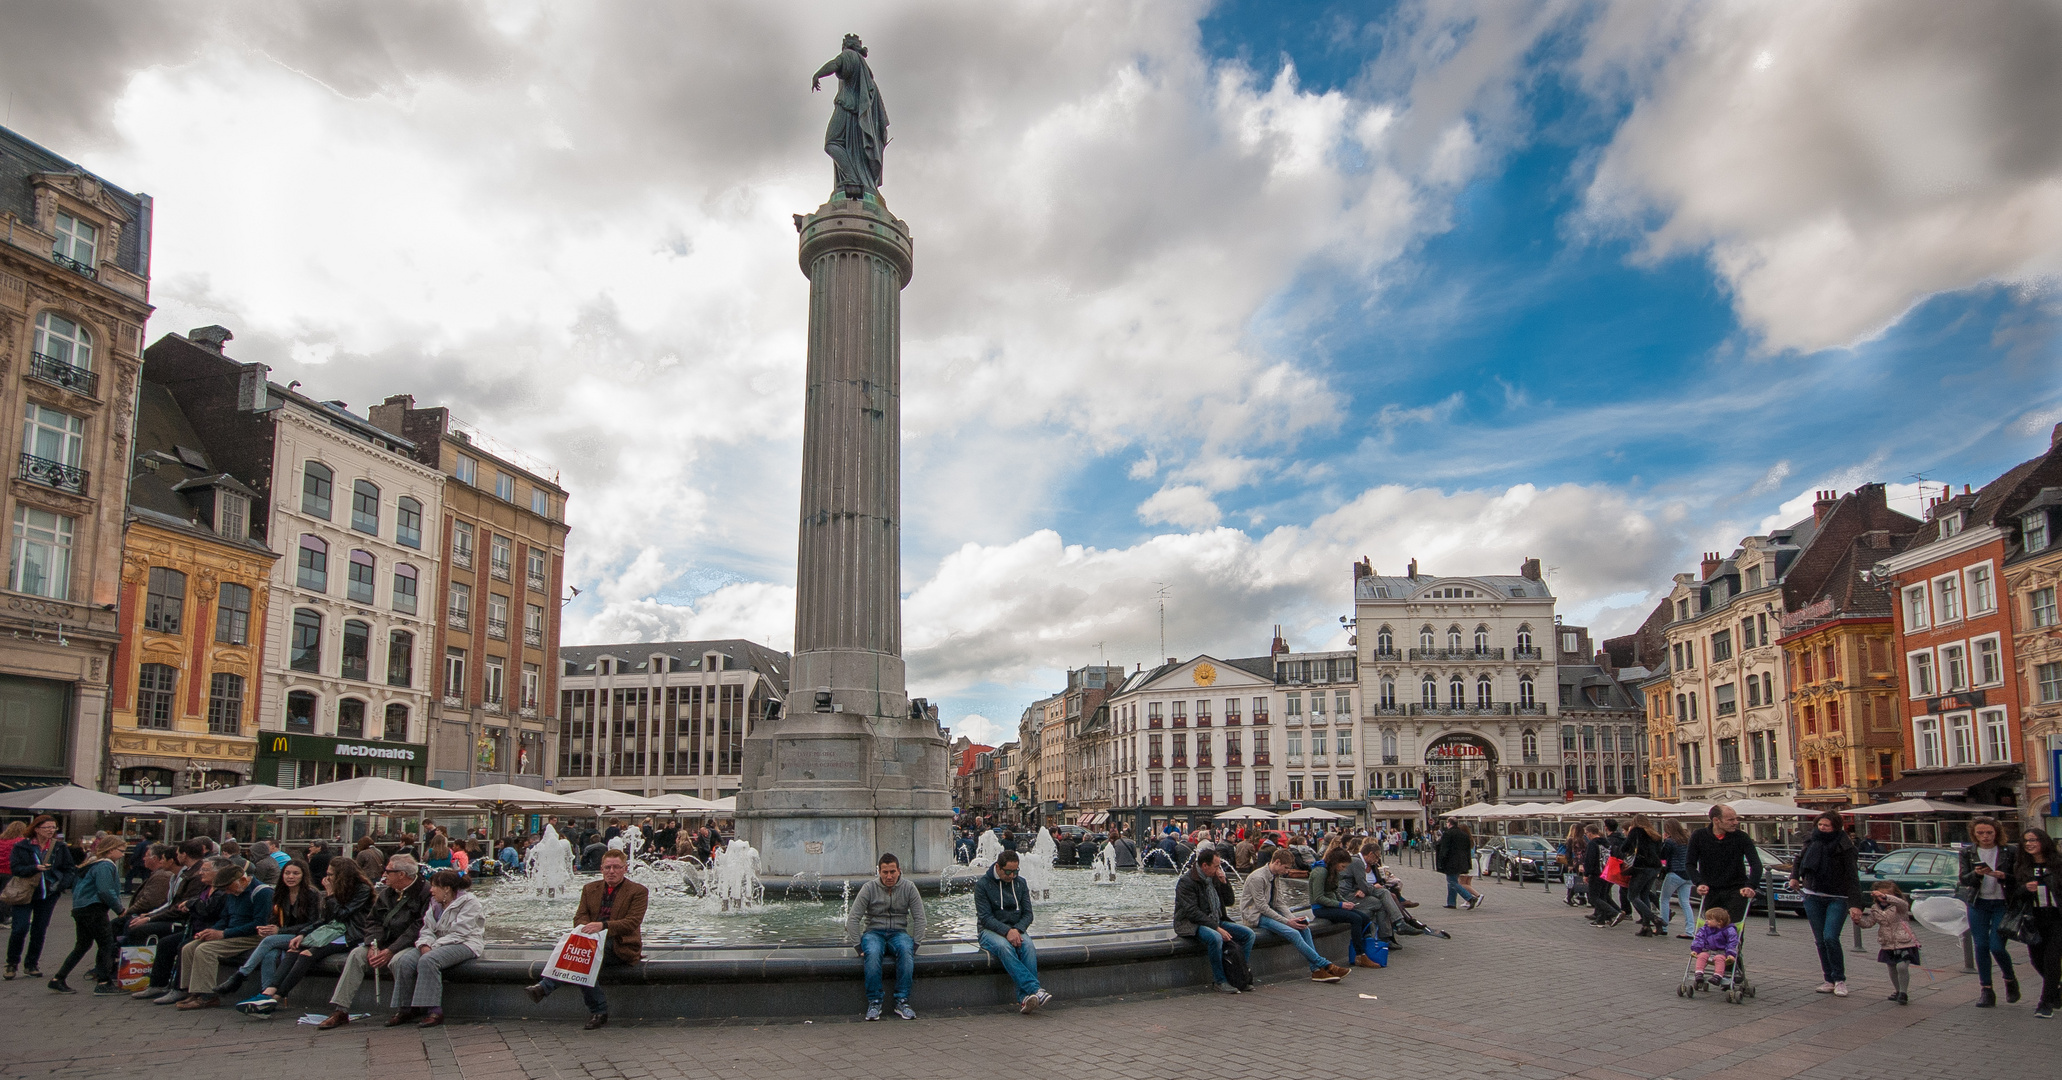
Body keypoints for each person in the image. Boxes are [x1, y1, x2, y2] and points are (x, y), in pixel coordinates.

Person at [525, 847, 648, 1029]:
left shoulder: (637, 891)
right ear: (601, 869)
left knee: (583, 957)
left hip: (620, 946)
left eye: (616, 867)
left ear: (625, 868)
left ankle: (546, 987)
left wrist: (602, 926)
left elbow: (632, 922)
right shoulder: (590, 889)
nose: (611, 871)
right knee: (584, 957)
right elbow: (580, 916)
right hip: (590, 942)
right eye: (607, 867)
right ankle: (598, 1012)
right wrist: (585, 927)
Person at [236, 858, 371, 1016]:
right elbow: (323, 920)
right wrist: (303, 933)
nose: (327, 878)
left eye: (331, 874)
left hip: (350, 934)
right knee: (293, 950)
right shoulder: (335, 887)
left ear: (342, 875)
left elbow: (342, 915)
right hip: (329, 932)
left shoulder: (362, 889)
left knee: (306, 954)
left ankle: (275, 999)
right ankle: (267, 993)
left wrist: (330, 895)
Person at [316, 854, 431, 1029]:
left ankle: (405, 1009)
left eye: (388, 871)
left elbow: (418, 927)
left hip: (409, 944)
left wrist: (391, 950)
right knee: (356, 955)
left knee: (400, 961)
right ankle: (341, 1009)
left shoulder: (425, 892)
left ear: (401, 874)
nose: (384, 874)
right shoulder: (387, 893)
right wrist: (372, 944)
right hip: (383, 943)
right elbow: (373, 920)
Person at [385, 869, 484, 1028]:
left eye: (434, 886)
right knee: (404, 961)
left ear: (446, 888)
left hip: (465, 943)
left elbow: (460, 933)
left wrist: (432, 947)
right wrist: (424, 943)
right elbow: (427, 929)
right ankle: (406, 1008)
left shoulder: (469, 902)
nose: (430, 890)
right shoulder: (435, 904)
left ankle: (434, 1011)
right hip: (435, 944)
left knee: (429, 960)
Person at [170, 856, 272, 1010]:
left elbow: (259, 925)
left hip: (251, 936)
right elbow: (225, 918)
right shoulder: (231, 893)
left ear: (242, 881)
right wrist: (212, 931)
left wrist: (223, 934)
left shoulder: (262, 893)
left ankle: (208, 996)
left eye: (228, 888)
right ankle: (193, 990)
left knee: (205, 950)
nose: (227, 892)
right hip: (231, 932)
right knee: (189, 947)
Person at [218, 856, 321, 1001]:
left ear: (303, 875)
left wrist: (279, 931)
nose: (290, 877)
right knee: (269, 954)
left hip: (305, 935)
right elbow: (274, 919)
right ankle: (265, 995)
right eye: (287, 873)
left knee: (269, 941)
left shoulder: (311, 894)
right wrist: (266, 929)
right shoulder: (280, 892)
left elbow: (313, 923)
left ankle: (240, 975)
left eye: (295, 873)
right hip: (283, 936)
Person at [1239, 846, 1344, 983]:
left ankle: (1316, 971)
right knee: (1293, 933)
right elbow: (1262, 907)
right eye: (1286, 868)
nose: (1287, 871)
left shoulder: (1275, 875)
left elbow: (1279, 902)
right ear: (1276, 862)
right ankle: (1325, 964)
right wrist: (1287, 922)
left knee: (1303, 928)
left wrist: (1293, 918)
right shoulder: (1257, 878)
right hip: (1255, 916)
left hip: (1269, 913)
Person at [127, 838, 213, 999]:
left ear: (184, 854)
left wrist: (151, 919)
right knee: (135, 927)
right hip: (186, 921)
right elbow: (175, 903)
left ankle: (176, 987)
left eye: (206, 871)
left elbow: (181, 907)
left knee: (174, 943)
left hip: (188, 923)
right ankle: (155, 983)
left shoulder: (194, 877)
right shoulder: (188, 875)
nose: (203, 873)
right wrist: (151, 916)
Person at [845, 853, 926, 1021]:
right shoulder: (869, 888)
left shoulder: (909, 887)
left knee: (906, 950)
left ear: (899, 871)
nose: (889, 876)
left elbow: (920, 918)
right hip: (874, 932)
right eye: (885, 872)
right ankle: (874, 1002)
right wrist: (857, 946)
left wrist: (916, 943)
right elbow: (853, 918)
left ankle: (902, 1001)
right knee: (872, 953)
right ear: (879, 872)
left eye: (892, 871)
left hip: (899, 933)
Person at [48, 835, 128, 995]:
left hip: (81, 908)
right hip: (94, 909)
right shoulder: (105, 865)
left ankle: (59, 978)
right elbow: (105, 890)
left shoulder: (91, 863)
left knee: (82, 945)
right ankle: (104, 982)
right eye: (121, 851)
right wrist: (120, 910)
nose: (123, 854)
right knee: (106, 944)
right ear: (111, 850)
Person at [974, 849, 1051, 1013]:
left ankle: (1025, 999)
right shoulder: (982, 885)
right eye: (1008, 871)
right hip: (988, 931)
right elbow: (986, 918)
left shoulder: (1020, 883)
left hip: (1016, 929)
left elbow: (1028, 914)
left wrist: (1017, 929)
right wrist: (1007, 932)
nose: (1011, 876)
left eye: (1015, 871)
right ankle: (1034, 990)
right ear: (998, 867)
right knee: (1004, 947)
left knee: (1028, 946)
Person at [1794, 809, 1858, 997]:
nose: (1822, 828)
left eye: (1826, 826)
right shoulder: (1811, 840)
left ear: (1835, 827)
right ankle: (1828, 979)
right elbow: (1799, 860)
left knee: (1831, 937)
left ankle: (1840, 979)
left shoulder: (1845, 846)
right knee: (1820, 940)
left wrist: (1856, 904)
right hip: (1812, 894)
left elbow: (1852, 876)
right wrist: (1794, 876)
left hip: (1837, 896)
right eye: (1820, 825)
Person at [1958, 815, 2020, 1008]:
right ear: (1974, 834)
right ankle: (1986, 989)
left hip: (2002, 903)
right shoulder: (1969, 853)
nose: (1985, 837)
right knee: (1981, 946)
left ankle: (2010, 980)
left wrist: (2004, 876)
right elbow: (1964, 880)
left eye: (1989, 833)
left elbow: (2018, 877)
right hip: (1979, 903)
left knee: (1997, 946)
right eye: (1980, 833)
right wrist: (1976, 874)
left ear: (1996, 832)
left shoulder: (2009, 851)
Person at [6, 814, 76, 979]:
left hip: (48, 893)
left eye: (53, 827)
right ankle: (11, 963)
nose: (51, 831)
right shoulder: (23, 846)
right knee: (20, 928)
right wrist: (34, 867)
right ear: (36, 828)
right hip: (25, 892)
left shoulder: (59, 847)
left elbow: (69, 868)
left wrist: (61, 885)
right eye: (47, 827)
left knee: (39, 930)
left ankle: (31, 964)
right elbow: (15, 868)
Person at [1174, 848, 1252, 993]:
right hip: (1192, 924)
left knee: (1249, 934)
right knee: (1215, 938)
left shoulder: (1214, 878)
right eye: (1216, 866)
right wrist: (1217, 928)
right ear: (1205, 866)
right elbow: (1192, 912)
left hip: (1216, 920)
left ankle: (1240, 975)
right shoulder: (1186, 882)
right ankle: (1220, 980)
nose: (1218, 869)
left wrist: (1224, 883)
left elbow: (1229, 902)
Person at [2009, 828, 2059, 1019]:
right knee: (2036, 960)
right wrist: (2024, 889)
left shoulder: (2058, 864)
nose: (2029, 844)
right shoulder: (2022, 866)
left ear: (2043, 841)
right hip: (2033, 918)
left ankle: (2045, 1004)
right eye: (2026, 841)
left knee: (2051, 959)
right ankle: (2055, 989)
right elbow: (2014, 896)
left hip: (2056, 917)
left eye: (2033, 840)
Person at [1686, 802, 1761, 925]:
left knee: (1733, 929)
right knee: (1712, 929)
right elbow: (1690, 863)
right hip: (1711, 890)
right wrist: (1699, 883)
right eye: (1730, 819)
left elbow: (1756, 864)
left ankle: (1734, 944)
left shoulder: (1741, 837)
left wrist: (1751, 885)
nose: (1735, 822)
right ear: (1716, 820)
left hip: (1737, 890)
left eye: (1736, 819)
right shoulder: (1699, 836)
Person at [1851, 879, 1919, 1005]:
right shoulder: (1875, 909)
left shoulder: (1899, 906)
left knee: (1902, 966)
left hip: (1904, 940)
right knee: (1892, 967)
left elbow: (1903, 904)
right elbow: (1869, 923)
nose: (1883, 899)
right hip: (1887, 942)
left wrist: (1886, 897)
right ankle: (1898, 991)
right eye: (1881, 895)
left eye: (1887, 895)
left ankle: (1904, 992)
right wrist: (1858, 921)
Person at [1308, 848, 1379, 968]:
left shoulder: (1331, 871)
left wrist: (1347, 903)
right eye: (1342, 866)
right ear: (1335, 862)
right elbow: (1318, 897)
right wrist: (1341, 905)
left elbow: (1336, 892)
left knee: (1364, 917)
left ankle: (1367, 947)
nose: (1343, 869)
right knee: (1355, 919)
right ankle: (1359, 955)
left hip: (1331, 906)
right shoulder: (1320, 872)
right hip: (1321, 909)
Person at [1621, 814, 1665, 936]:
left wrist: (1630, 834)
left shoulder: (1636, 831)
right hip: (1655, 867)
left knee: (1632, 895)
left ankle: (1654, 918)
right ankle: (1646, 927)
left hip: (1641, 866)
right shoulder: (1655, 834)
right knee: (1644, 894)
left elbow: (1624, 847)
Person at [1658, 819, 1696, 939]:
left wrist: (1664, 841)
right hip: (1688, 874)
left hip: (1675, 873)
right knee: (1685, 902)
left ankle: (1663, 927)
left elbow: (1662, 856)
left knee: (1664, 899)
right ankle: (1690, 931)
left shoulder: (1670, 841)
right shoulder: (1688, 840)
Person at [1690, 905, 1740, 988]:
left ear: (1719, 922)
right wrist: (1696, 949)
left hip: (1722, 952)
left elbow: (1732, 942)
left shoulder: (1729, 930)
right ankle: (1699, 973)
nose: (1706, 921)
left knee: (1719, 958)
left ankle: (1717, 976)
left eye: (1709, 919)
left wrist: (1731, 954)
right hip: (1708, 950)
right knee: (1701, 956)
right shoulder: (1705, 929)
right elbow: (1699, 938)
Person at [1435, 819, 1481, 910]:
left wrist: (1441, 861)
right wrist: (1468, 863)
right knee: (1452, 881)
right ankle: (1451, 902)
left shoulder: (1448, 834)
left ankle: (1470, 897)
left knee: (1452, 881)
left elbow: (1444, 849)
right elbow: (1467, 850)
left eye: (1447, 822)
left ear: (1449, 823)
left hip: (1451, 861)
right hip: (1462, 861)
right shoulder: (1464, 835)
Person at [1582, 823, 1622, 927]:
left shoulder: (1592, 844)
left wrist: (1586, 873)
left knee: (1593, 897)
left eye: (1586, 833)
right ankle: (1601, 919)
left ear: (1590, 833)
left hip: (1596, 873)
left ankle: (1613, 912)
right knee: (1603, 896)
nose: (1586, 836)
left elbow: (1589, 860)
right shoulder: (1607, 842)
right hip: (1606, 872)